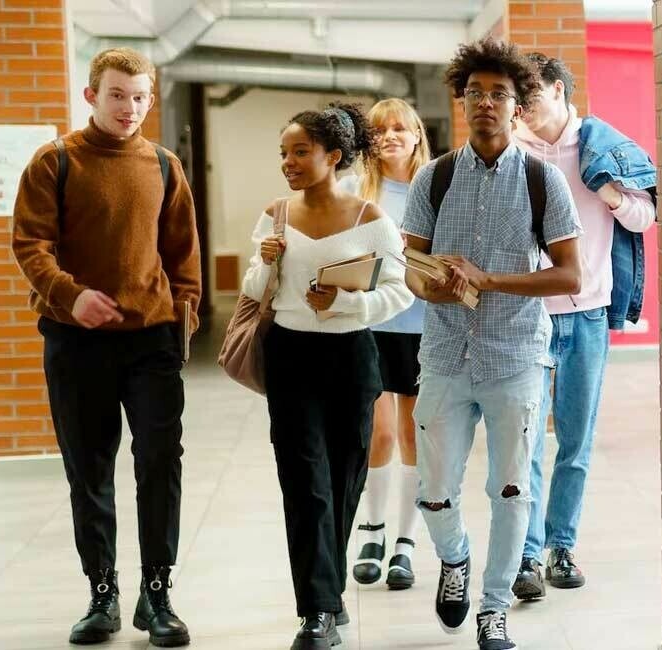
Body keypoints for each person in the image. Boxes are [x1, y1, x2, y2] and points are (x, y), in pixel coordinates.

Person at [11, 47, 199, 648]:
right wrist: (72, 296)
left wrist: (183, 321)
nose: (130, 108)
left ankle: (158, 592)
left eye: (140, 97)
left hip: (150, 343)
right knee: (89, 470)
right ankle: (102, 594)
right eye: (118, 95)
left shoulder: (166, 167)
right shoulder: (55, 162)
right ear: (92, 96)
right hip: (75, 341)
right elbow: (30, 245)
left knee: (159, 467)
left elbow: (183, 258)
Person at [403, 38, 582, 650]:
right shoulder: (435, 176)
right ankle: (454, 559)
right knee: (433, 490)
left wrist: (491, 279)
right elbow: (410, 267)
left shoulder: (542, 181)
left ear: (518, 105)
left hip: (515, 358)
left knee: (511, 490)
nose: (485, 102)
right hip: (445, 356)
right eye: (475, 92)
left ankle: (494, 604)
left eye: (498, 94)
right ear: (462, 100)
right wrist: (440, 286)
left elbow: (569, 275)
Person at [241, 101, 416, 649]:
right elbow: (251, 290)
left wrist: (345, 301)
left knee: (343, 481)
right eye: (284, 153)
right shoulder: (276, 215)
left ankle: (329, 589)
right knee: (304, 484)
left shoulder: (371, 220)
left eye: (300, 152)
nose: (288, 162)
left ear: (333, 157)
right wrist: (267, 261)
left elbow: (400, 290)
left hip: (351, 359)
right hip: (290, 357)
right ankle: (316, 611)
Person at [506, 52, 657, 601]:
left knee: (575, 441)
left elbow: (645, 217)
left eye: (530, 97)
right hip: (528, 316)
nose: (521, 109)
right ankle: (525, 554)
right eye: (515, 101)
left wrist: (608, 191)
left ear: (559, 90)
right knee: (525, 442)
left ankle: (560, 546)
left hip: (589, 313)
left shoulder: (600, 145)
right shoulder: (511, 153)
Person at [339, 98, 432, 592]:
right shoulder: (354, 190)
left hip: (421, 329)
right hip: (371, 326)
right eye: (380, 130)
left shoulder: (435, 186)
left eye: (401, 127)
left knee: (415, 435)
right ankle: (371, 532)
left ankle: (405, 544)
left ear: (417, 134)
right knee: (377, 434)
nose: (391, 136)